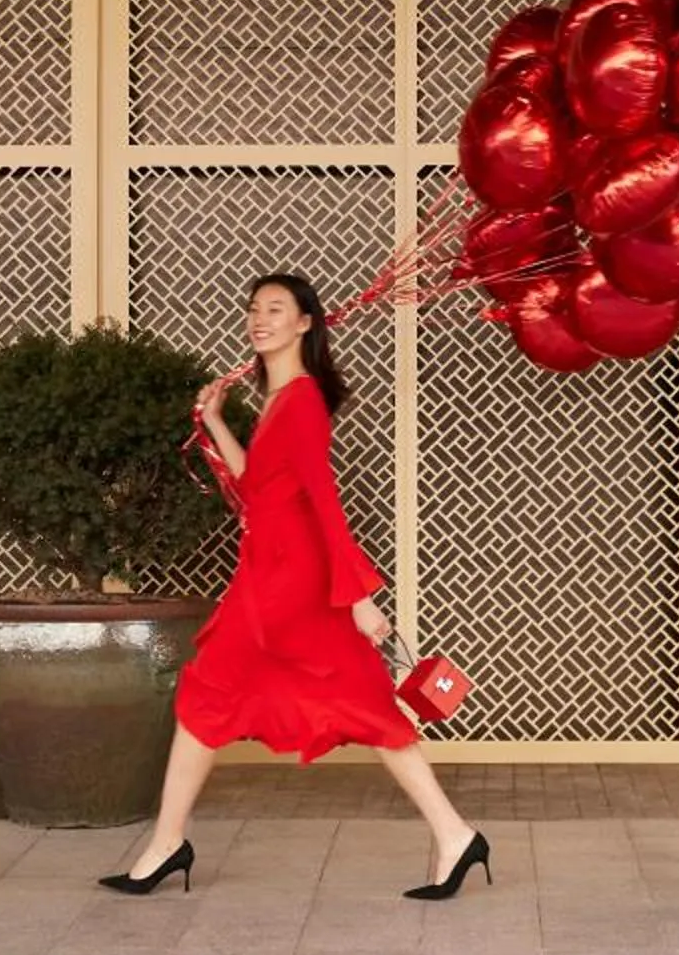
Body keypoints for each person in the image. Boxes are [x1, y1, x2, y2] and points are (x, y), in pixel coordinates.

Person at [103, 272, 491, 901]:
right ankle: (455, 836)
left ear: (305, 323)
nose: (260, 319)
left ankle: (167, 845)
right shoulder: (281, 400)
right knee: (339, 701)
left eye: (276, 309)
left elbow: (325, 504)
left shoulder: (303, 400)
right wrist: (215, 421)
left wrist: (359, 597)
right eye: (254, 308)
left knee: (222, 695)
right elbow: (258, 486)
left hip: (293, 584)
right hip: (270, 575)